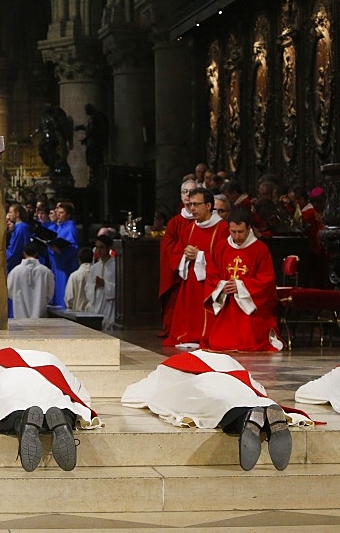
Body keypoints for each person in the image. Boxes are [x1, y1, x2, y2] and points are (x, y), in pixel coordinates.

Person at [122, 350, 312, 470]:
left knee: (211, 402)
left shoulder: (165, 370)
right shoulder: (226, 361)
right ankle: (266, 418)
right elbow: (257, 387)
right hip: (234, 381)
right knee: (241, 396)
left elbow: (131, 396)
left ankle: (246, 417)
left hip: (199, 383)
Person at [0, 348, 101, 471]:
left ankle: (21, 421)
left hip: (8, 380)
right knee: (61, 401)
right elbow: (79, 393)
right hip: (46, 380)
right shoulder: (50, 359)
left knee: (6, 405)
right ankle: (64, 419)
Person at [202, 209, 283, 352]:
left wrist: (240, 286)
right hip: (226, 300)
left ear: (249, 228)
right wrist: (222, 286)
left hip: (250, 304)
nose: (237, 236)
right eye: (233, 232)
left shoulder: (260, 249)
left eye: (241, 232)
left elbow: (266, 280)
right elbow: (212, 274)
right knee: (218, 343)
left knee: (249, 342)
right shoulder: (221, 247)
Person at [164, 187, 228, 348]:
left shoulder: (222, 228)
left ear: (208, 206)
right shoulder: (190, 228)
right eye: (190, 204)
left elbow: (225, 258)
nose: (192, 208)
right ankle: (190, 334)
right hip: (191, 282)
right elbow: (176, 254)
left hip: (211, 282)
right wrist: (185, 255)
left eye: (196, 204)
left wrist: (200, 256)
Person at [159, 180, 198, 338]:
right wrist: (183, 255)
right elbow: (167, 247)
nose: (187, 195)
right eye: (184, 192)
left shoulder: (205, 220)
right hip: (180, 270)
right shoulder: (175, 222)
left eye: (191, 191)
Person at [7, 242, 54, 319]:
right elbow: (50, 293)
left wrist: (17, 298)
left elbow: (9, 291)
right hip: (40, 317)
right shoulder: (46, 272)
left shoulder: (15, 271)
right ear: (36, 253)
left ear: (24, 253)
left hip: (20, 316)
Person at [47, 201, 79, 307]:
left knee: (64, 292)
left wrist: (59, 250)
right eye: (58, 212)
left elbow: (74, 248)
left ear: (68, 215)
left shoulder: (70, 228)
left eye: (61, 212)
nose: (58, 214)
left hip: (65, 265)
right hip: (57, 264)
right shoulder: (59, 226)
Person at [89, 233, 116, 330]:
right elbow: (88, 288)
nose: (98, 251)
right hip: (97, 304)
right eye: (96, 247)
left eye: (101, 247)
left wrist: (105, 284)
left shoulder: (116, 265)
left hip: (111, 306)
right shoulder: (94, 267)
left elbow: (121, 288)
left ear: (109, 248)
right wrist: (94, 286)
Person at [64, 247, 94, 312]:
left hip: (78, 313)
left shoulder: (74, 276)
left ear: (79, 260)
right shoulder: (97, 274)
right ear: (92, 259)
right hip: (95, 314)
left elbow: (69, 298)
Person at [5, 203, 31, 272]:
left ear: (17, 214)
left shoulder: (20, 229)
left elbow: (14, 251)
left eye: (11, 212)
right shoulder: (17, 228)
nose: (9, 214)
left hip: (16, 266)